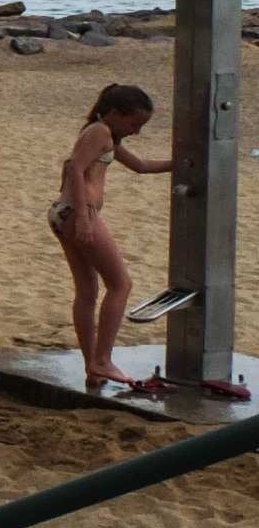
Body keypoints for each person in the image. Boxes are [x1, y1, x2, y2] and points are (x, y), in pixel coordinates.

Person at [55, 85, 172, 392]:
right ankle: (103, 359)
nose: (136, 131)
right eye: (134, 124)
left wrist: (181, 164)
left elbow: (141, 166)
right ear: (116, 113)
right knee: (121, 284)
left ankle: (93, 368)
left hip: (62, 213)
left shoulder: (104, 135)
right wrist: (84, 216)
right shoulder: (99, 132)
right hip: (78, 212)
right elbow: (76, 169)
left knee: (87, 291)